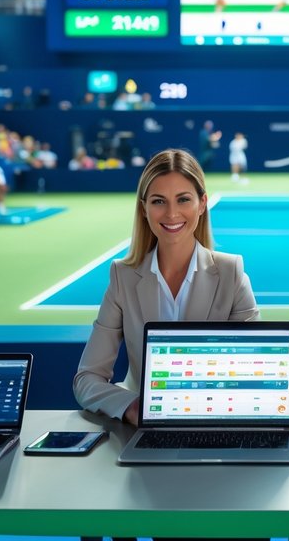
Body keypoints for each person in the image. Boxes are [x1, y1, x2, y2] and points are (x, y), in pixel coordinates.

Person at [73, 149, 258, 423]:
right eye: (159, 201)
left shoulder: (232, 273)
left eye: (183, 199)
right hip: (142, 431)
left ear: (202, 203)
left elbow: (251, 373)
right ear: (144, 208)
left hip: (215, 424)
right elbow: (87, 378)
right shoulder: (122, 277)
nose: (172, 214)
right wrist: (133, 407)